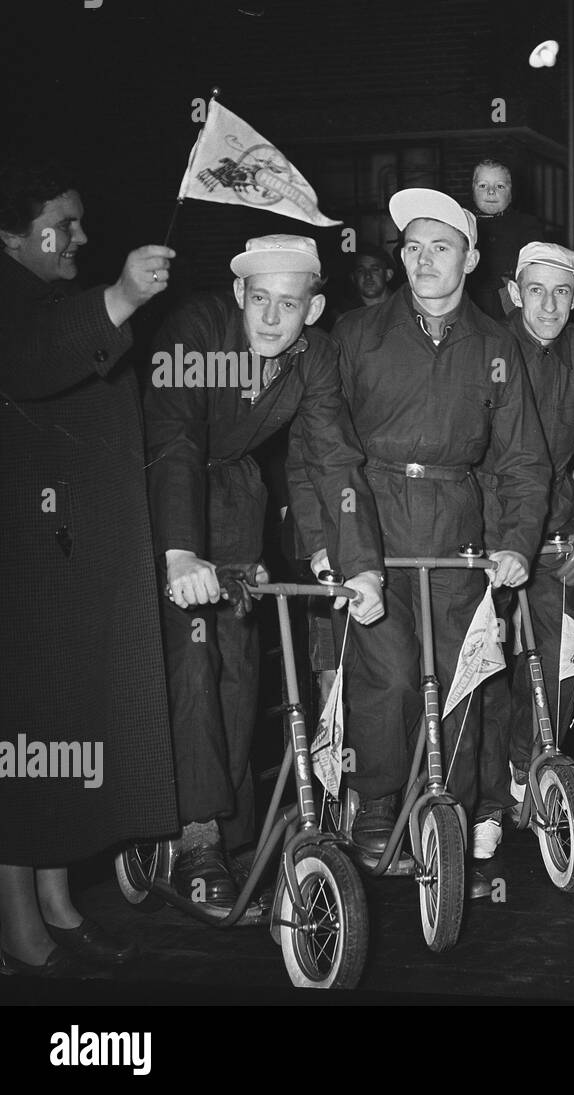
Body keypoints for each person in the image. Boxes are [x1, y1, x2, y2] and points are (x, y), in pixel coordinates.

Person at [145, 234, 386, 906]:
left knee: (242, 664)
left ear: (313, 309)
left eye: (289, 303)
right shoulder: (196, 329)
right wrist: (180, 551)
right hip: (163, 494)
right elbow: (174, 439)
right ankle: (196, 837)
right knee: (193, 658)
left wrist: (358, 564)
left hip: (236, 493)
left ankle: (233, 830)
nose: (272, 318)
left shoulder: (317, 352)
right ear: (237, 297)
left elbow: (333, 458)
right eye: (259, 301)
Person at [331, 188, 549, 895]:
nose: (425, 260)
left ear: (472, 258)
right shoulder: (357, 335)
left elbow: (522, 458)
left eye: (442, 246)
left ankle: (447, 819)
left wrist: (515, 541)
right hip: (377, 519)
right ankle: (379, 801)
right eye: (413, 247)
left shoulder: (496, 346)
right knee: (391, 675)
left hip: (459, 525)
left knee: (460, 680)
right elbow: (325, 445)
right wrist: (339, 538)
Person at [0, 161, 176, 973]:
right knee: (23, 743)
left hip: (60, 559)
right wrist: (120, 299)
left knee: (61, 730)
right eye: (61, 225)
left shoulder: (40, 295)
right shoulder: (16, 301)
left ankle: (60, 905)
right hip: (22, 567)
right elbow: (35, 361)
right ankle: (21, 928)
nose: (78, 235)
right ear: (15, 229)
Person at [475, 243, 574, 853]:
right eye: (537, 290)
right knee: (480, 664)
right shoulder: (484, 343)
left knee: (560, 660)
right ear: (514, 291)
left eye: (563, 291)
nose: (549, 304)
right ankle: (481, 800)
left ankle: (529, 768)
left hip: (559, 527)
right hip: (480, 526)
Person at [465, 158, 544, 321]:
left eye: (500, 186)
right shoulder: (460, 222)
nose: (491, 191)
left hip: (509, 301)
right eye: (483, 186)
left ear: (511, 192)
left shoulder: (527, 225)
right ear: (473, 189)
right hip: (468, 299)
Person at [345, 243, 395, 311]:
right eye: (361, 271)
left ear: (388, 275)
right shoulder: (344, 315)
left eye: (374, 270)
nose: (368, 276)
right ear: (353, 277)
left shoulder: (405, 305)